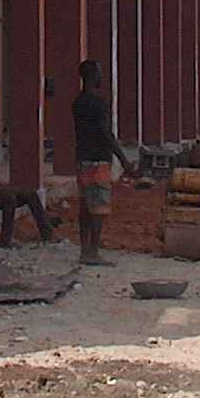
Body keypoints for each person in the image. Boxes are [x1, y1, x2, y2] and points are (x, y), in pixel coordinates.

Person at [70, 57, 126, 265]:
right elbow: (105, 133)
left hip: (82, 156)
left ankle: (85, 250)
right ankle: (93, 252)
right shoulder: (99, 103)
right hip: (99, 159)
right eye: (100, 73)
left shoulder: (78, 102)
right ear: (94, 76)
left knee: (85, 206)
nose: (102, 76)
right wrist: (123, 159)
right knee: (99, 206)